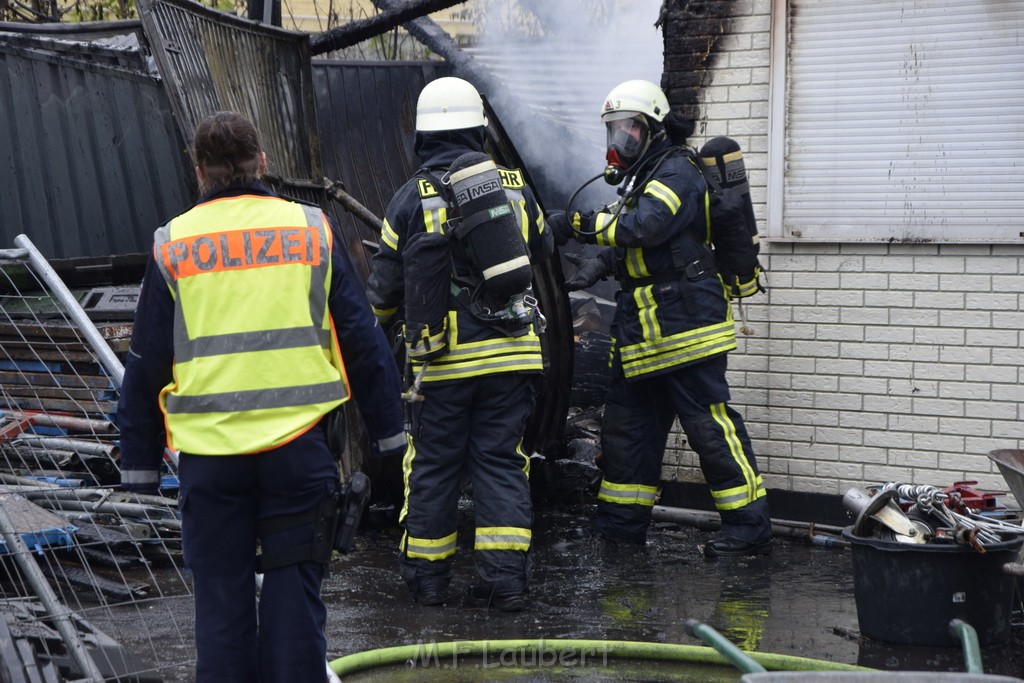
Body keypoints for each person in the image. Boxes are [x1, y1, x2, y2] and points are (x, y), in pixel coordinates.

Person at [116, 111, 406, 681]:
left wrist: (140, 469)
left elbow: (146, 363)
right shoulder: (310, 229)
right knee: (294, 608)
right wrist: (390, 434)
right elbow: (362, 340)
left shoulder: (173, 244)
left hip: (212, 463)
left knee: (221, 609)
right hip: (299, 454)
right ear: (262, 164)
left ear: (199, 172)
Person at [549, 79, 773, 557]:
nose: (619, 141)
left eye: (629, 129)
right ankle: (619, 529)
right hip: (641, 339)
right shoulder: (643, 178)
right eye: (613, 131)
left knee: (709, 430)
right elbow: (651, 246)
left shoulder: (678, 173)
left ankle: (749, 530)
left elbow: (645, 226)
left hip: (686, 329)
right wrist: (601, 265)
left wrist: (577, 226)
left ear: (653, 128)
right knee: (627, 434)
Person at [366, 76, 553, 611]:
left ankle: (427, 583)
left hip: (443, 363)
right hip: (515, 354)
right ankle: (505, 583)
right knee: (500, 462)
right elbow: (541, 247)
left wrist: (371, 339)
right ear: (479, 131)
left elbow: (383, 292)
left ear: (422, 138)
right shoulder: (512, 186)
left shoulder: (408, 200)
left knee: (434, 465)